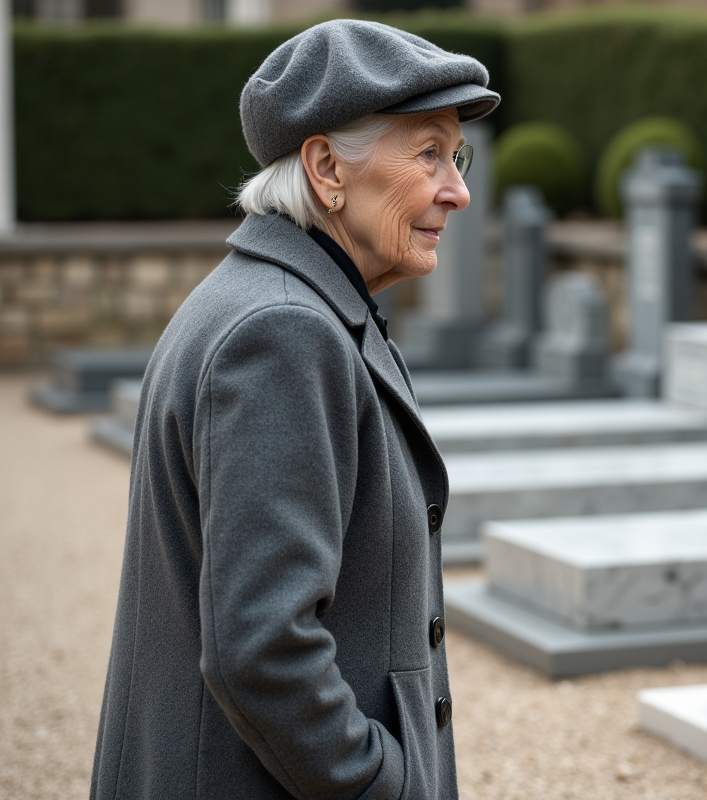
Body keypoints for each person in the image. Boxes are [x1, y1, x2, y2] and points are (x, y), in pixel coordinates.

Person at [90, 20, 498, 799]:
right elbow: (264, 651)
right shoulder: (283, 332)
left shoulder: (278, 301)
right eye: (428, 153)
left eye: (457, 154)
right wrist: (386, 783)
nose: (459, 188)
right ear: (325, 168)